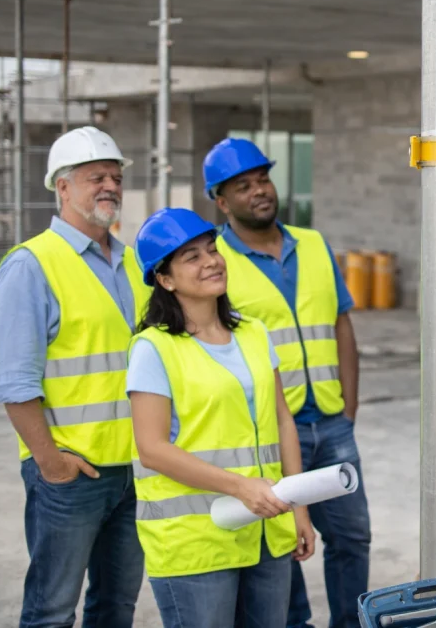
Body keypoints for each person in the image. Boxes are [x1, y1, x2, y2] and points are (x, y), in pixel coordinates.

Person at [201, 137, 369, 628]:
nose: (259, 191)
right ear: (222, 201)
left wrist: (349, 408)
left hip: (332, 423)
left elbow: (341, 326)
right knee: (282, 544)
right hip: (271, 430)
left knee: (352, 538)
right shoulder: (215, 263)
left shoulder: (313, 244)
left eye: (263, 179)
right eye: (243, 186)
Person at [0, 126, 150, 628]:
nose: (110, 186)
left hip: (134, 470)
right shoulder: (32, 265)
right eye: (96, 177)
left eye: (116, 177)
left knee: (116, 607)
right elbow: (14, 381)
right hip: (71, 474)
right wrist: (51, 463)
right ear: (62, 186)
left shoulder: (134, 262)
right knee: (51, 611)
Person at [127, 207, 316, 628]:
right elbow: (152, 449)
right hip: (197, 541)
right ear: (165, 279)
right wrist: (241, 487)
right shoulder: (153, 349)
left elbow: (282, 420)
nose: (211, 261)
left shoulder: (254, 333)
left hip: (267, 528)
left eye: (212, 249)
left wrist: (298, 509)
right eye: (192, 256)